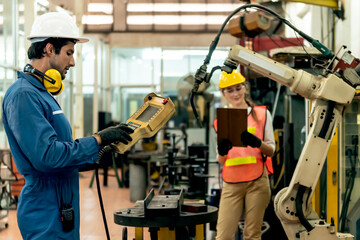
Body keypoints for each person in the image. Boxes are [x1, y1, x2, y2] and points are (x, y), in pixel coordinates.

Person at [2, 12, 134, 240]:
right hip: (45, 211)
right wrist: (97, 140)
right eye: (69, 53)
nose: (72, 62)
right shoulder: (24, 95)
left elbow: (60, 153)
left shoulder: (41, 94)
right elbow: (47, 156)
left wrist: (94, 156)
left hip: (61, 204)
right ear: (49, 49)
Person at [214, 69, 275, 240]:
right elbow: (220, 160)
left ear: (245, 87)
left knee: (252, 235)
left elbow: (272, 150)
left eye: (238, 88)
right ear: (224, 93)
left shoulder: (262, 114)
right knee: (224, 236)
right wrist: (222, 151)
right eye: (230, 90)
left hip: (257, 181)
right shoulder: (221, 120)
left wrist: (257, 142)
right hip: (231, 183)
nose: (235, 93)